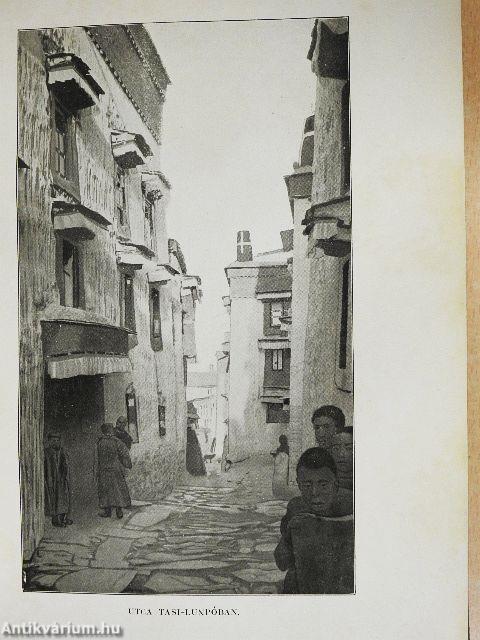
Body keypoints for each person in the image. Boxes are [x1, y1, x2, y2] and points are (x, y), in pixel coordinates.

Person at [274, 447, 352, 593]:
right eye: (307, 485)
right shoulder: (296, 509)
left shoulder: (354, 508)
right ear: (298, 484)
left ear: (335, 484)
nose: (315, 493)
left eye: (323, 485)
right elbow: (282, 561)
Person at [95, 423, 132, 519]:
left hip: (104, 469)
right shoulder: (116, 441)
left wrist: (96, 470)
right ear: (110, 430)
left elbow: (96, 458)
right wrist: (127, 463)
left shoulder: (100, 442)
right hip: (115, 468)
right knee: (117, 489)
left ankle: (107, 511)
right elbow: (125, 452)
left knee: (105, 490)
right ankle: (119, 511)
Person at [44, 432, 73, 527]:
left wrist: (65, 474)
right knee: (54, 500)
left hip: (61, 480)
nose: (55, 442)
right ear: (49, 441)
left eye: (57, 440)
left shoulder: (62, 451)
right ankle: (56, 521)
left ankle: (64, 518)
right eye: (53, 440)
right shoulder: (46, 452)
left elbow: (65, 464)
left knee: (64, 499)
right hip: (51, 480)